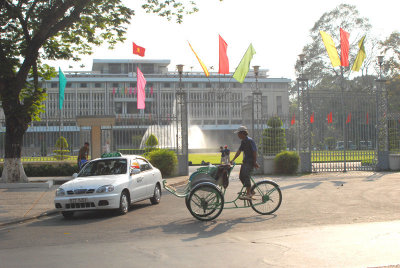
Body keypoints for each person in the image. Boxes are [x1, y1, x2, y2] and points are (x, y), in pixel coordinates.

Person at [230, 126, 259, 200]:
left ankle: (249, 193)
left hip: (250, 162)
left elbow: (254, 152)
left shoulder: (250, 141)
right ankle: (250, 191)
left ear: (242, 133)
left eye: (238, 134)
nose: (238, 135)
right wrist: (233, 159)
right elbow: (239, 151)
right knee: (241, 177)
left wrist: (255, 162)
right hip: (245, 162)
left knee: (246, 176)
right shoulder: (243, 141)